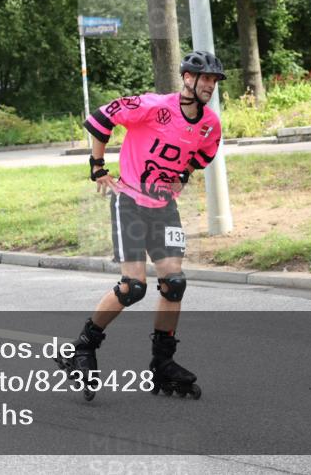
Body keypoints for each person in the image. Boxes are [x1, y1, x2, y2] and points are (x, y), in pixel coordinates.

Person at [56, 50, 225, 400]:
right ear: (187, 78)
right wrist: (97, 166)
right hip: (130, 201)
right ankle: (83, 347)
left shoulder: (210, 123)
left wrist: (183, 175)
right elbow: (102, 117)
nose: (210, 85)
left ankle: (163, 363)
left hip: (164, 207)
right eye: (204, 78)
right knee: (133, 287)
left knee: (174, 283)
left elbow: (202, 153)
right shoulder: (154, 106)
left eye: (214, 80)